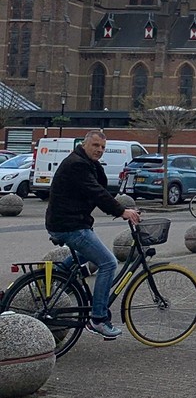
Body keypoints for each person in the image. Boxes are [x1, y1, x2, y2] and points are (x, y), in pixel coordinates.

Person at [44, 130, 142, 339]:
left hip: (69, 222)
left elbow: (100, 189)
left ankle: (59, 278)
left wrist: (119, 207)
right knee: (108, 263)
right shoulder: (77, 164)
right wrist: (122, 211)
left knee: (87, 254)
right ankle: (98, 319)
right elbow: (96, 192)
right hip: (70, 225)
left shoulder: (85, 162)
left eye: (103, 147)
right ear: (85, 144)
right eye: (95, 145)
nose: (99, 150)